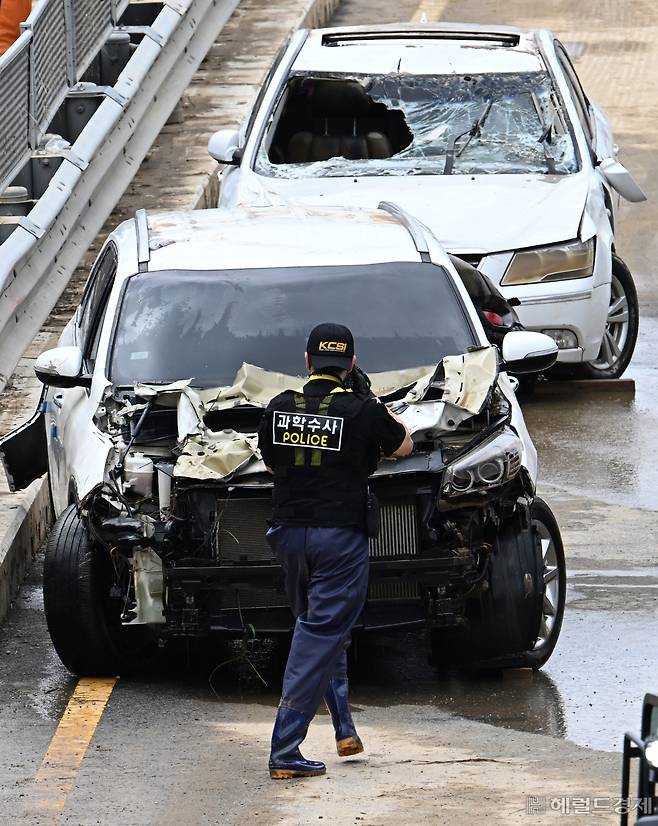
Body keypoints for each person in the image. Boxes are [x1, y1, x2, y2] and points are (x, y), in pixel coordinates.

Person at [257, 322, 413, 779]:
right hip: (339, 539)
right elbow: (403, 444)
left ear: (307, 362)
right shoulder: (363, 409)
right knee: (320, 636)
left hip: (288, 535)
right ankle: (285, 749)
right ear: (351, 362)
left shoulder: (278, 407)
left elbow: (269, 463)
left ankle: (344, 727)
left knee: (322, 632)